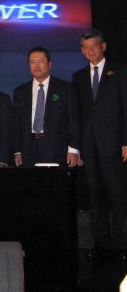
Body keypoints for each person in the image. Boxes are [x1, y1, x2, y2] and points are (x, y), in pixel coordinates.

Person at [72, 29, 127, 260]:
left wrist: (126, 140)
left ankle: (120, 243)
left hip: (115, 144)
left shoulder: (120, 71)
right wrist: (76, 147)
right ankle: (100, 242)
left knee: (118, 193)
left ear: (103, 46)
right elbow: (77, 115)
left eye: (94, 45)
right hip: (90, 146)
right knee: (95, 195)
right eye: (85, 47)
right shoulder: (78, 77)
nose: (90, 50)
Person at [12, 47, 79, 168]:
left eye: (41, 61)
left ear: (49, 64)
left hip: (57, 148)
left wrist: (73, 149)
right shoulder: (20, 91)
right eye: (32, 62)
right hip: (28, 148)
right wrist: (17, 150)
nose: (36, 66)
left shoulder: (65, 88)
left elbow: (73, 120)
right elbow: (16, 123)